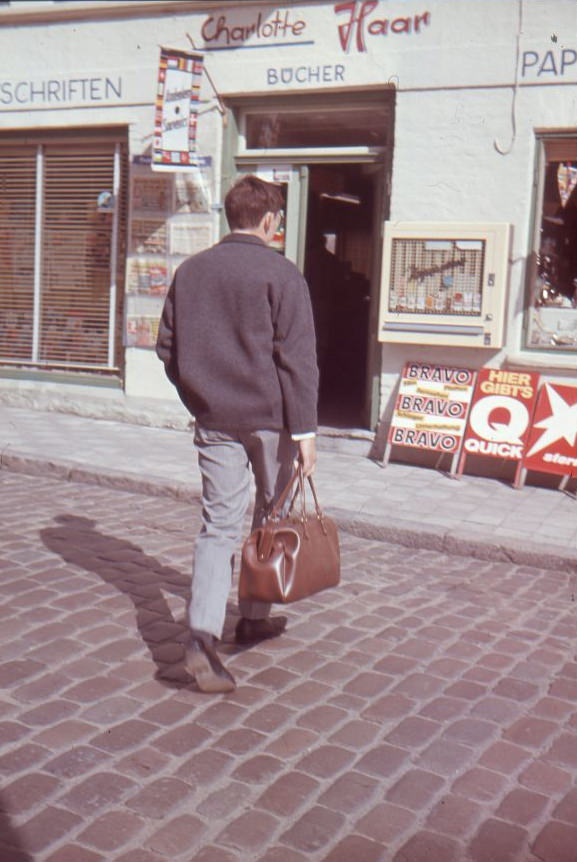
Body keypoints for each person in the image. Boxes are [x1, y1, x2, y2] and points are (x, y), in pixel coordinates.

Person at [156, 175, 319, 693]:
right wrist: (308, 430)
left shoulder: (191, 271)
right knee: (269, 517)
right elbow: (298, 361)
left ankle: (204, 634)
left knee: (218, 526)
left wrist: (199, 396)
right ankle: (253, 614)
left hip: (216, 420)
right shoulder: (283, 274)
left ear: (231, 217)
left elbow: (167, 349)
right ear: (270, 220)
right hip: (272, 422)